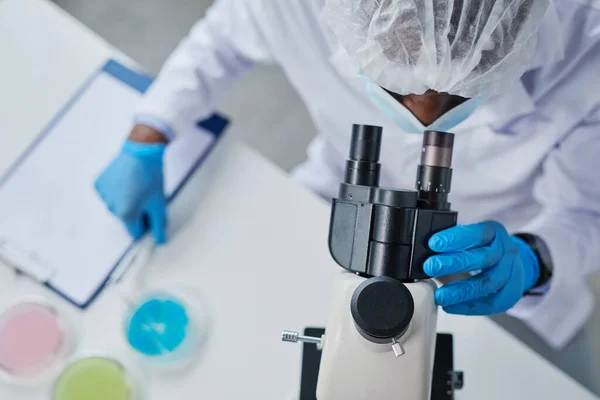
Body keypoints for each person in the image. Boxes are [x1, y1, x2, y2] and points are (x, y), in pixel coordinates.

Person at [94, 0, 600, 393]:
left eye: (462, 93)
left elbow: (585, 212)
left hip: (493, 253)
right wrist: (148, 135)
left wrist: (533, 261)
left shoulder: (586, 44)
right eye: (397, 85)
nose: (424, 117)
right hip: (336, 193)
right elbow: (225, 36)